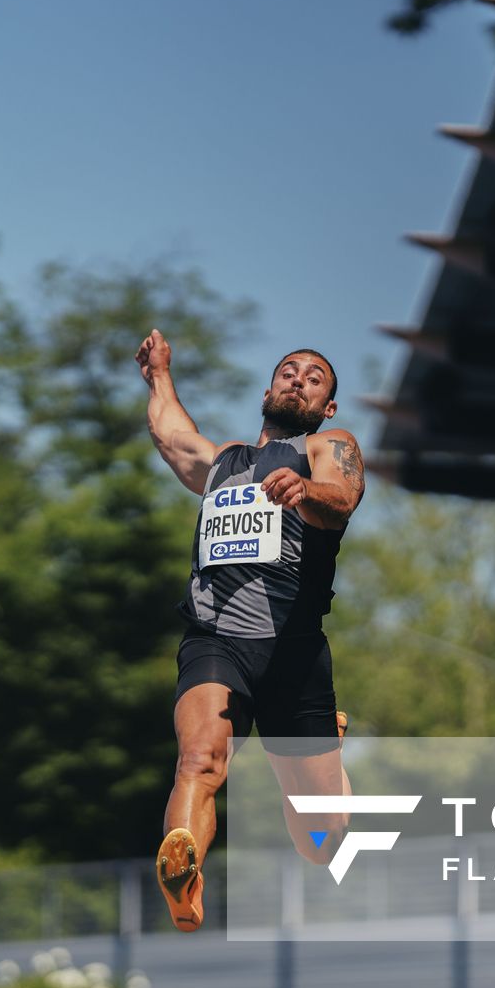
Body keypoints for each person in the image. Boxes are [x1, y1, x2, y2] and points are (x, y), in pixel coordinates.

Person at [139, 330, 366, 931]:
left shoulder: (326, 448)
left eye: (314, 377)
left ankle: (328, 760)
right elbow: (169, 434)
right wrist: (159, 373)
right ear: (269, 388)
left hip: (293, 650)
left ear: (328, 406)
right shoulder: (225, 464)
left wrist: (304, 491)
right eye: (289, 370)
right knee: (199, 760)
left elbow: (341, 500)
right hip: (216, 641)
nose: (299, 378)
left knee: (322, 840)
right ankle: (182, 872)